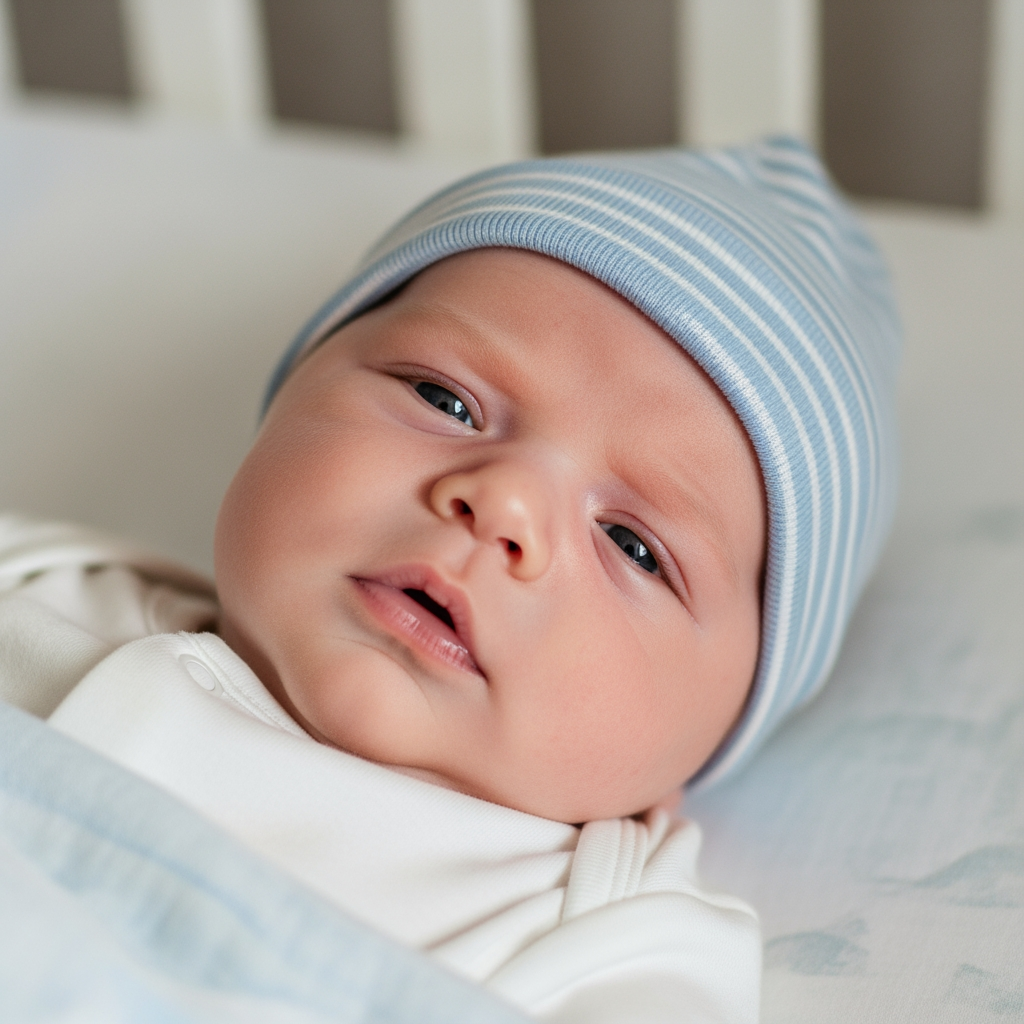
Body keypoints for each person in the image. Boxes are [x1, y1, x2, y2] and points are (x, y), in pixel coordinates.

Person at [0, 137, 900, 1023]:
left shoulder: (604, 942)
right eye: (445, 400)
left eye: (632, 545)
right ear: (287, 402)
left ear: (713, 737)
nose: (504, 503)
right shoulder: (43, 585)